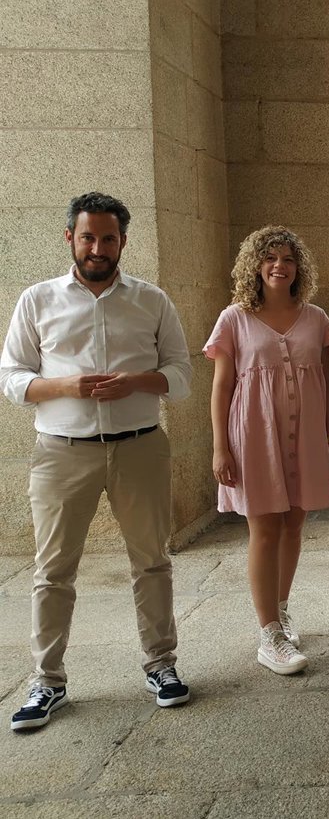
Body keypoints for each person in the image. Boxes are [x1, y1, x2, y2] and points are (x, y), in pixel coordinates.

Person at [1, 192, 192, 731]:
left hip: (140, 447)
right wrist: (66, 386)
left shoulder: (152, 300)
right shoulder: (37, 299)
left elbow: (181, 375)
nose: (98, 248)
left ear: (123, 241)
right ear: (71, 238)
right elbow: (10, 377)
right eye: (88, 237)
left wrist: (138, 382)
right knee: (52, 570)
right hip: (62, 452)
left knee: (152, 561)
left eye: (109, 238)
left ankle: (161, 665)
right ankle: (47, 681)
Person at [206, 227, 329, 674]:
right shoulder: (234, 318)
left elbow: (327, 382)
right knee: (264, 529)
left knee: (294, 524)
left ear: (298, 267)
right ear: (255, 266)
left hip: (306, 437)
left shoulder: (316, 318)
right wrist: (220, 447)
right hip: (254, 436)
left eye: (287, 259)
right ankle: (269, 636)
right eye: (269, 258)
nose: (279, 266)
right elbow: (222, 387)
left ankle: (280, 611)